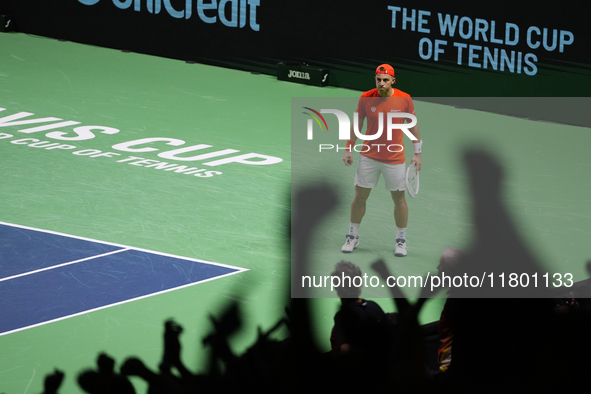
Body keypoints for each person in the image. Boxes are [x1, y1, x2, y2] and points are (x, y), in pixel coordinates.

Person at [341, 64, 422, 257]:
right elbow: (357, 124)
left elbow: (413, 126)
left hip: (394, 159)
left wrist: (417, 153)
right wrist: (348, 148)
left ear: (393, 80)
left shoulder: (404, 99)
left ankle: (401, 240)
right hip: (369, 157)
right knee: (360, 197)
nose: (381, 83)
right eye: (378, 79)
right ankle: (353, 236)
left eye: (386, 80)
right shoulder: (366, 98)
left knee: (399, 199)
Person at [329, 261, 392, 363]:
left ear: (336, 287)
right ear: (359, 284)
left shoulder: (341, 317)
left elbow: (346, 351)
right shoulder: (373, 306)